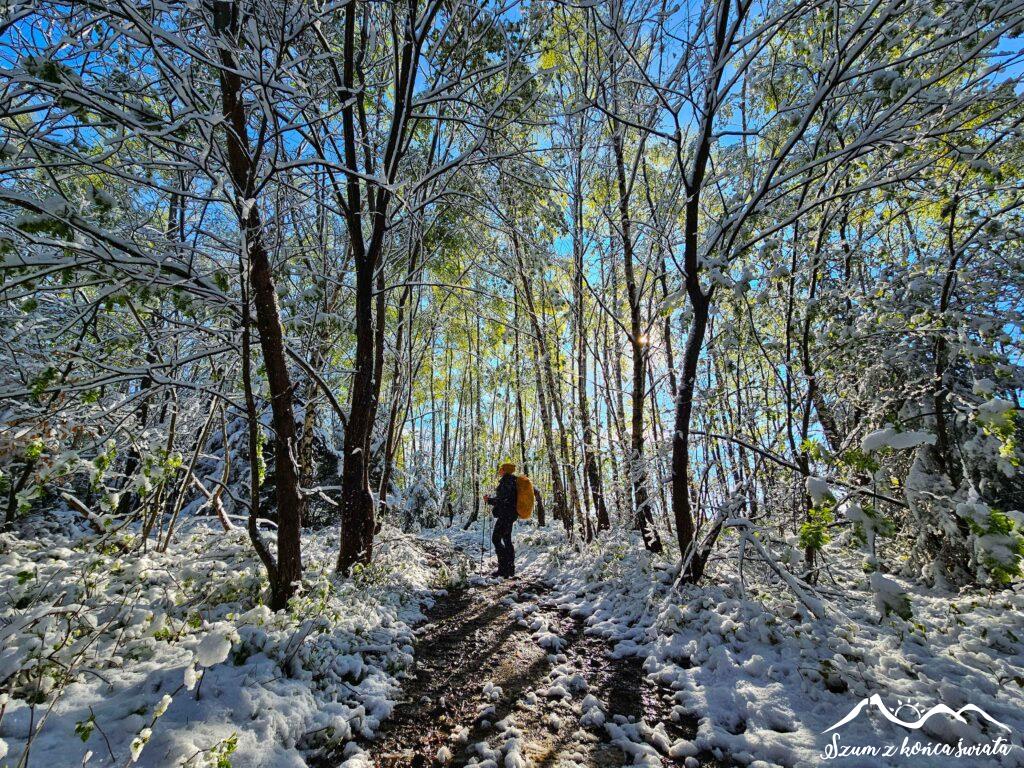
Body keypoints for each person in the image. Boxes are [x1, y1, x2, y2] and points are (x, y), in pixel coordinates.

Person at [484, 462, 518, 578]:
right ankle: (509, 569)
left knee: (496, 539)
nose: (499, 470)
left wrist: (489, 500)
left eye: (501, 468)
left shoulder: (507, 481)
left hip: (506, 515)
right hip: (509, 515)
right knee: (506, 540)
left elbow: (504, 500)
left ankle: (504, 569)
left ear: (505, 470)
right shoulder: (510, 481)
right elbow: (504, 499)